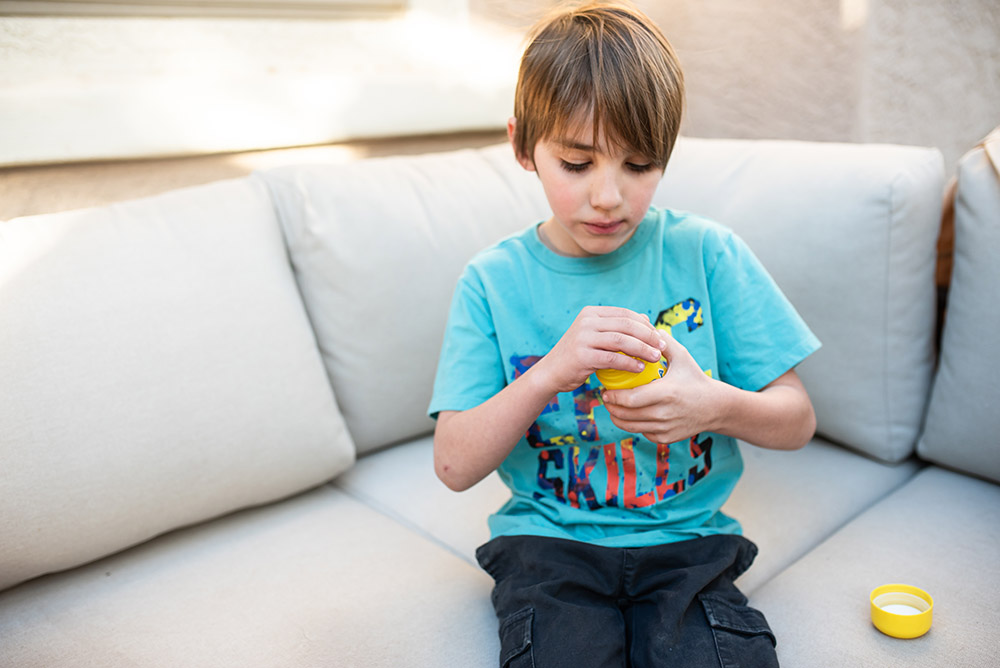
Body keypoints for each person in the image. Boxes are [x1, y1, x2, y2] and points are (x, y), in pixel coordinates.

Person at [428, 2, 820, 666]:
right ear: (524, 146)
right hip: (548, 546)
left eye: (639, 164)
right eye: (577, 164)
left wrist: (715, 405)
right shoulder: (492, 281)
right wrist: (551, 372)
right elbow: (454, 464)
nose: (609, 196)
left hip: (690, 542)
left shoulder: (707, 254)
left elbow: (798, 419)